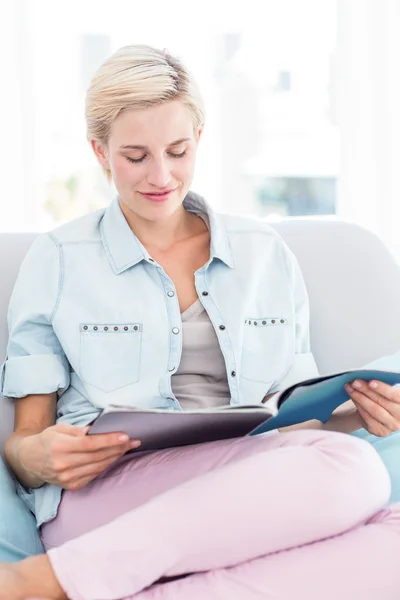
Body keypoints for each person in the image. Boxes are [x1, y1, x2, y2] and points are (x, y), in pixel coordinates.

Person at [1, 44, 400, 600]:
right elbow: (25, 442)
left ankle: (99, 587)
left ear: (200, 140)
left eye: (178, 150)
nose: (161, 176)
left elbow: (292, 423)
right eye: (135, 156)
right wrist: (39, 455)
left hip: (246, 483)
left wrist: (356, 414)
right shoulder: (60, 258)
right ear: (100, 151)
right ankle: (37, 579)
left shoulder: (265, 253)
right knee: (352, 469)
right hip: (108, 494)